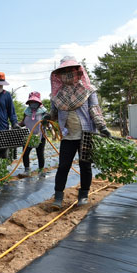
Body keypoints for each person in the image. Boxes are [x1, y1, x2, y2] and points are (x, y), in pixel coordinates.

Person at [48, 56, 112, 207]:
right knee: (63, 166)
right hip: (68, 135)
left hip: (86, 134)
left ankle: (83, 195)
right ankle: (58, 197)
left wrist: (102, 127)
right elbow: (54, 113)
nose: (67, 74)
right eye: (64, 71)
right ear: (59, 75)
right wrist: (47, 116)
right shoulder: (58, 95)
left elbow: (94, 110)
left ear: (78, 71)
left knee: (85, 165)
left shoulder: (88, 91)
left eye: (70, 70)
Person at [19, 91, 47, 175]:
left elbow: (47, 122)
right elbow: (23, 122)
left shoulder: (43, 112)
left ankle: (41, 170)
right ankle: (27, 170)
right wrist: (16, 125)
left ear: (39, 102)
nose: (33, 104)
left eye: (35, 102)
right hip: (28, 136)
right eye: (31, 102)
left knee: (40, 154)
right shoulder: (26, 112)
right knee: (25, 153)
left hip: (40, 136)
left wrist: (46, 121)